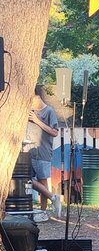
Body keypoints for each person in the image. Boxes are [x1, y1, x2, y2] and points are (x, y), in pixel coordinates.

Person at [27, 85, 61, 219]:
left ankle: (43, 211)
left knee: (42, 181)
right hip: (28, 151)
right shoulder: (28, 110)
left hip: (43, 151)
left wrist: (37, 120)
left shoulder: (49, 111)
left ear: (37, 97)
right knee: (26, 179)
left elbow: (54, 132)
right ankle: (53, 197)